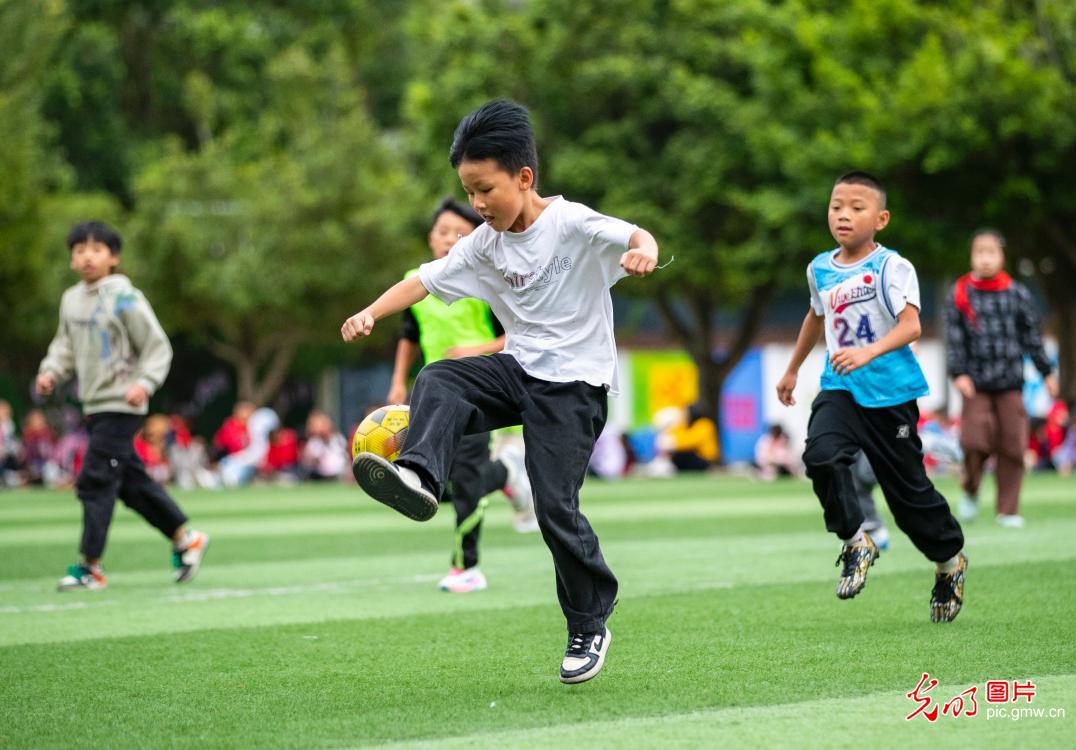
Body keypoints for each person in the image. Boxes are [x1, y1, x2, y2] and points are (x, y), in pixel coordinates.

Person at [342, 99, 660, 683]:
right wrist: (370, 312)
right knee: (440, 376)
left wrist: (645, 252)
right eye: (468, 192)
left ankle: (590, 622)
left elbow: (636, 233)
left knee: (554, 510)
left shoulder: (570, 223)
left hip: (573, 387)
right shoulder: (482, 245)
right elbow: (420, 281)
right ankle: (419, 475)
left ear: (524, 177)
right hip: (518, 369)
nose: (477, 204)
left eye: (485, 189)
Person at [776, 172, 966, 623]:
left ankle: (949, 562)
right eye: (836, 205)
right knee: (821, 456)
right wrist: (791, 369)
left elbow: (911, 326)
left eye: (856, 207)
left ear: (880, 218)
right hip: (840, 387)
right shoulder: (819, 267)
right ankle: (854, 540)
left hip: (891, 395)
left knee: (908, 497)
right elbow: (814, 316)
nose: (843, 214)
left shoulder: (892, 267)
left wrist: (869, 352)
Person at [35, 221, 208, 591]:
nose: (87, 256)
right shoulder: (71, 300)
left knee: (94, 480)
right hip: (95, 405)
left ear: (113, 257)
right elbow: (64, 347)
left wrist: (144, 384)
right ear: (71, 259)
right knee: (129, 482)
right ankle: (185, 538)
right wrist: (50, 372)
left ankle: (90, 567)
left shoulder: (125, 297)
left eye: (96, 249)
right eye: (79, 250)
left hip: (123, 404)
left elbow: (158, 346)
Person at [387, 197, 538, 594]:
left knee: (467, 480)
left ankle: (465, 567)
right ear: (430, 238)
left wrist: (477, 351)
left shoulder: (485, 280)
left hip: (479, 391)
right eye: (442, 232)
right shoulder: (414, 282)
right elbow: (408, 337)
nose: (449, 239)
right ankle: (506, 474)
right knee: (445, 483)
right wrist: (398, 381)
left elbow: (515, 335)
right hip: (435, 394)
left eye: (460, 233)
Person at [946, 229, 1058, 527]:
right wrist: (958, 373)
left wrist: (1046, 371)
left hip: (1010, 381)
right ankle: (970, 490)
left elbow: (1031, 336)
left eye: (991, 252)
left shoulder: (1017, 293)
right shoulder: (960, 293)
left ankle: (1008, 510)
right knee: (973, 440)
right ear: (971, 256)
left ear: (1002, 257)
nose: (984, 259)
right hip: (975, 382)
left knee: (1012, 444)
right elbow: (954, 339)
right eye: (979, 252)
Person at [657, 402, 718, 472]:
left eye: (687, 413)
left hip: (706, 460)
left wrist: (671, 442)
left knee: (681, 454)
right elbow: (680, 436)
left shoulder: (704, 424)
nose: (685, 416)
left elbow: (691, 441)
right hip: (697, 458)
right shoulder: (689, 426)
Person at [300, 410, 349, 481]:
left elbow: (344, 460)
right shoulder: (314, 442)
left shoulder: (339, 439)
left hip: (339, 477)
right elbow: (307, 463)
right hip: (319, 477)